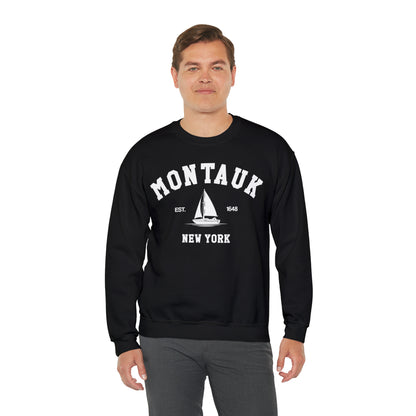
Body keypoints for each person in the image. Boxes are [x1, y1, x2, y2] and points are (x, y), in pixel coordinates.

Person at [105, 24, 313, 416]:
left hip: (244, 334)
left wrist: (296, 328)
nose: (205, 77)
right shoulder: (145, 157)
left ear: (233, 75)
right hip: (163, 337)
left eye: (216, 67)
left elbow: (293, 245)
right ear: (175, 76)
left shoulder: (271, 151)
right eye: (192, 67)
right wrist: (124, 338)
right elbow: (123, 252)